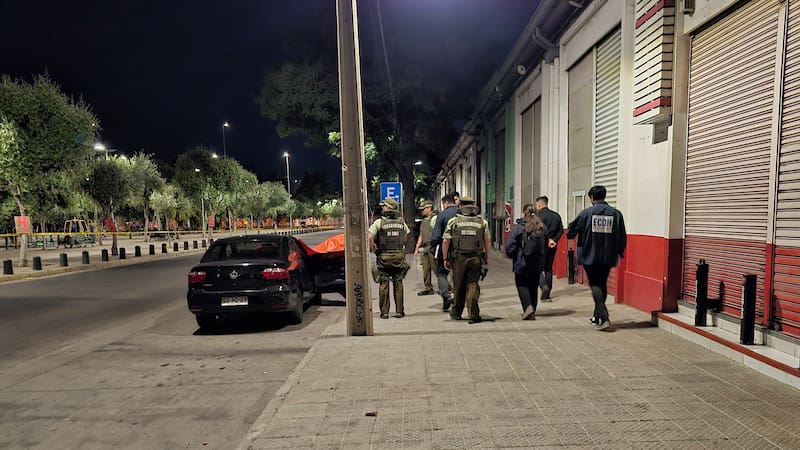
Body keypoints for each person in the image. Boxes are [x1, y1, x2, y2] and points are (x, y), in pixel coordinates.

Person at [566, 185, 627, 331]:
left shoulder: (586, 214)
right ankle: (596, 316)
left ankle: (605, 318)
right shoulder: (616, 214)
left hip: (590, 254)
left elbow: (571, 232)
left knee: (595, 284)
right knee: (602, 283)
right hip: (608, 255)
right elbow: (622, 236)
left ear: (592, 198)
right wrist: (618, 252)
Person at [442, 196, 491, 324]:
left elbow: (446, 240)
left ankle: (456, 312)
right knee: (473, 284)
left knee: (458, 285)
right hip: (476, 257)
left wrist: (445, 258)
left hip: (459, 258)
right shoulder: (482, 222)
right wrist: (487, 257)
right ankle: (473, 313)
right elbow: (487, 241)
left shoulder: (454, 221)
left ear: (460, 206)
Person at [368, 197, 410, 319]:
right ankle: (399, 312)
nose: (382, 208)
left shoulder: (379, 222)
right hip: (398, 257)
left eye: (384, 206)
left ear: (387, 208)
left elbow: (370, 237)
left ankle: (384, 313)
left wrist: (373, 249)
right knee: (398, 283)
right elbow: (406, 235)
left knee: (384, 283)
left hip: (384, 257)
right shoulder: (401, 222)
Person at [506, 204, 547, 320]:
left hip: (522, 262)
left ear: (524, 213)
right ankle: (532, 309)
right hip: (537, 263)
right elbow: (546, 244)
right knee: (533, 286)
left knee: (522, 284)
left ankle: (528, 307)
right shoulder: (542, 227)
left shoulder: (519, 227)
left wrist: (513, 255)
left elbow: (510, 246)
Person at [430, 193, 458, 311]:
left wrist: (433, 248)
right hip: (461, 249)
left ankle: (446, 295)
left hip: (445, 248)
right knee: (458, 274)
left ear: (446, 203)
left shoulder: (442, 215)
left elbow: (436, 236)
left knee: (442, 272)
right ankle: (459, 298)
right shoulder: (461, 213)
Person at [535, 196, 563, 301]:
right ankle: (547, 294)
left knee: (537, 267)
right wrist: (553, 240)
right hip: (552, 245)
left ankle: (543, 286)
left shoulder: (537, 217)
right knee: (548, 268)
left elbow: (535, 231)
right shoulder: (556, 216)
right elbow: (560, 231)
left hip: (540, 246)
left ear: (539, 205)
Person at [413, 200, 436, 295]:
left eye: (423, 209)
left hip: (433, 245)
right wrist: (417, 248)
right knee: (425, 268)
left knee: (436, 267)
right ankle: (428, 287)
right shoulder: (424, 221)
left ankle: (447, 286)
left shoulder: (435, 219)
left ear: (429, 208)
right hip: (425, 246)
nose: (422, 211)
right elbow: (421, 236)